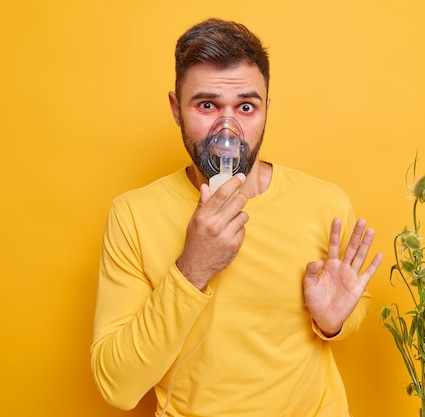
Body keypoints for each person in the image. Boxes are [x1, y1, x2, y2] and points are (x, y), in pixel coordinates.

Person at [90, 18, 383, 417]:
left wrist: (332, 323)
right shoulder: (133, 216)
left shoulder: (325, 203)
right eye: (206, 105)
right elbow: (116, 387)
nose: (227, 129)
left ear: (266, 109)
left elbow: (352, 302)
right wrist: (192, 268)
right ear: (177, 109)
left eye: (246, 106)